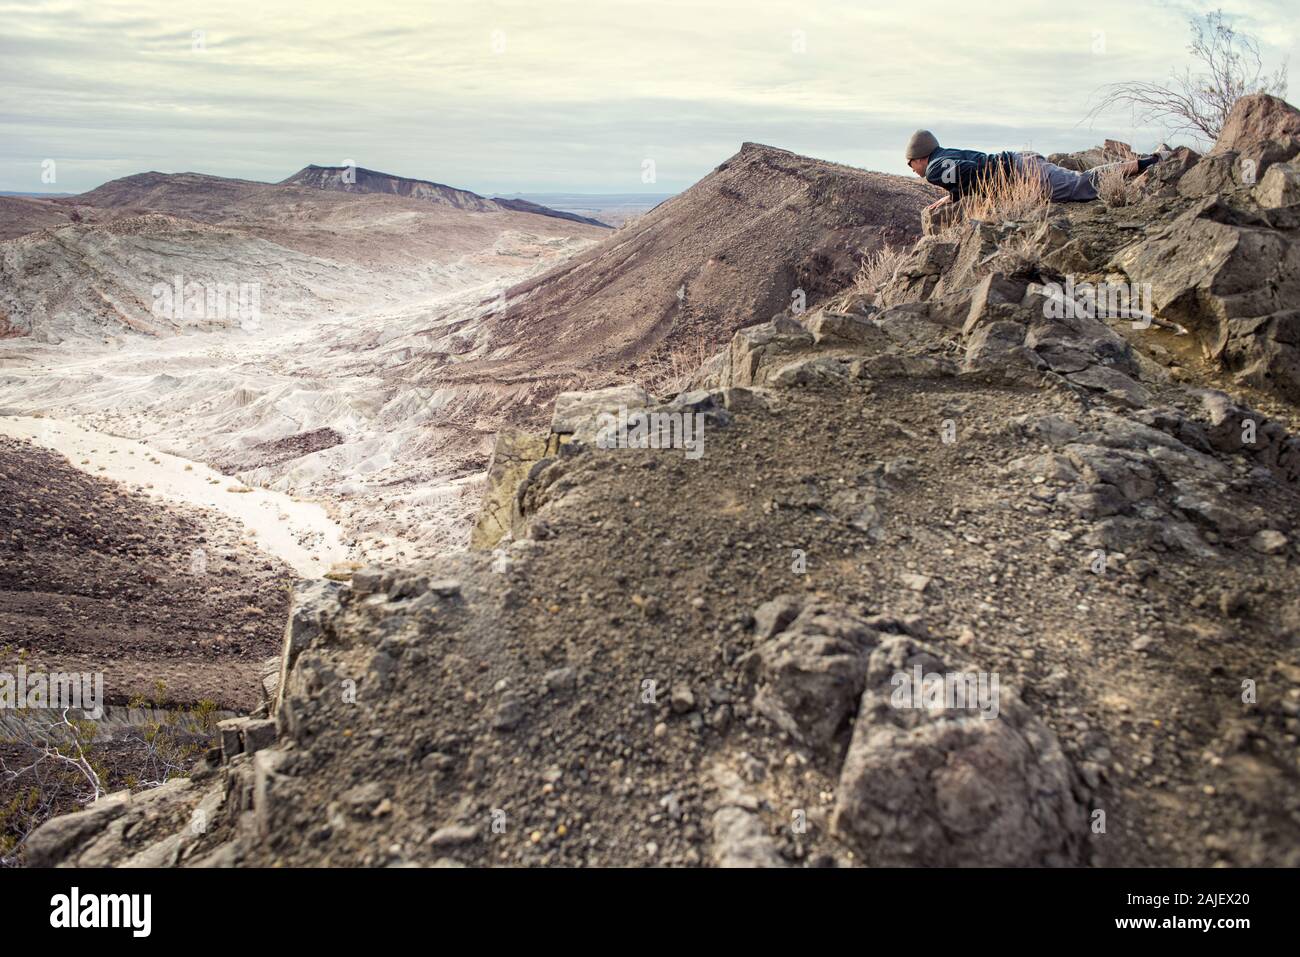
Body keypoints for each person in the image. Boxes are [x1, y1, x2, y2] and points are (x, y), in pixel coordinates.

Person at [904, 129, 1163, 213]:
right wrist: (951, 197)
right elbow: (964, 174)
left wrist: (958, 194)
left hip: (1023, 174)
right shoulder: (943, 157)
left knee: (1081, 185)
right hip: (1021, 163)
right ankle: (1144, 164)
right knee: (1078, 183)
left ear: (920, 157)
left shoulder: (935, 168)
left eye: (910, 163)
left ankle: (1148, 164)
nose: (911, 168)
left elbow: (968, 172)